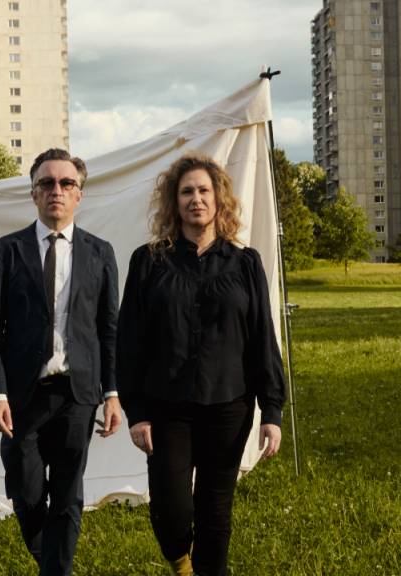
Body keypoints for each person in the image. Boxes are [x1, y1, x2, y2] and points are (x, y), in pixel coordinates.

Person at [117, 153, 286, 576]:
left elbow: (262, 337)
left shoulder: (245, 263)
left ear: (218, 199)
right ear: (174, 203)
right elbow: (130, 341)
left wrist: (272, 411)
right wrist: (137, 412)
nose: (196, 199)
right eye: (187, 191)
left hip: (229, 405)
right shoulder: (148, 262)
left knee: (215, 510)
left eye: (204, 190)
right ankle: (180, 562)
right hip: (166, 407)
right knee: (170, 509)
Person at [0, 148, 122, 576]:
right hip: (22, 396)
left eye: (66, 183)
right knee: (25, 492)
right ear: (33, 193)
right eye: (46, 183)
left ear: (79, 194)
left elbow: (109, 330)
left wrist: (113, 393)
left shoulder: (101, 253)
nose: (56, 190)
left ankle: (56, 570)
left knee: (67, 494)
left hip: (78, 394)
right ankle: (53, 560)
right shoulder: (6, 251)